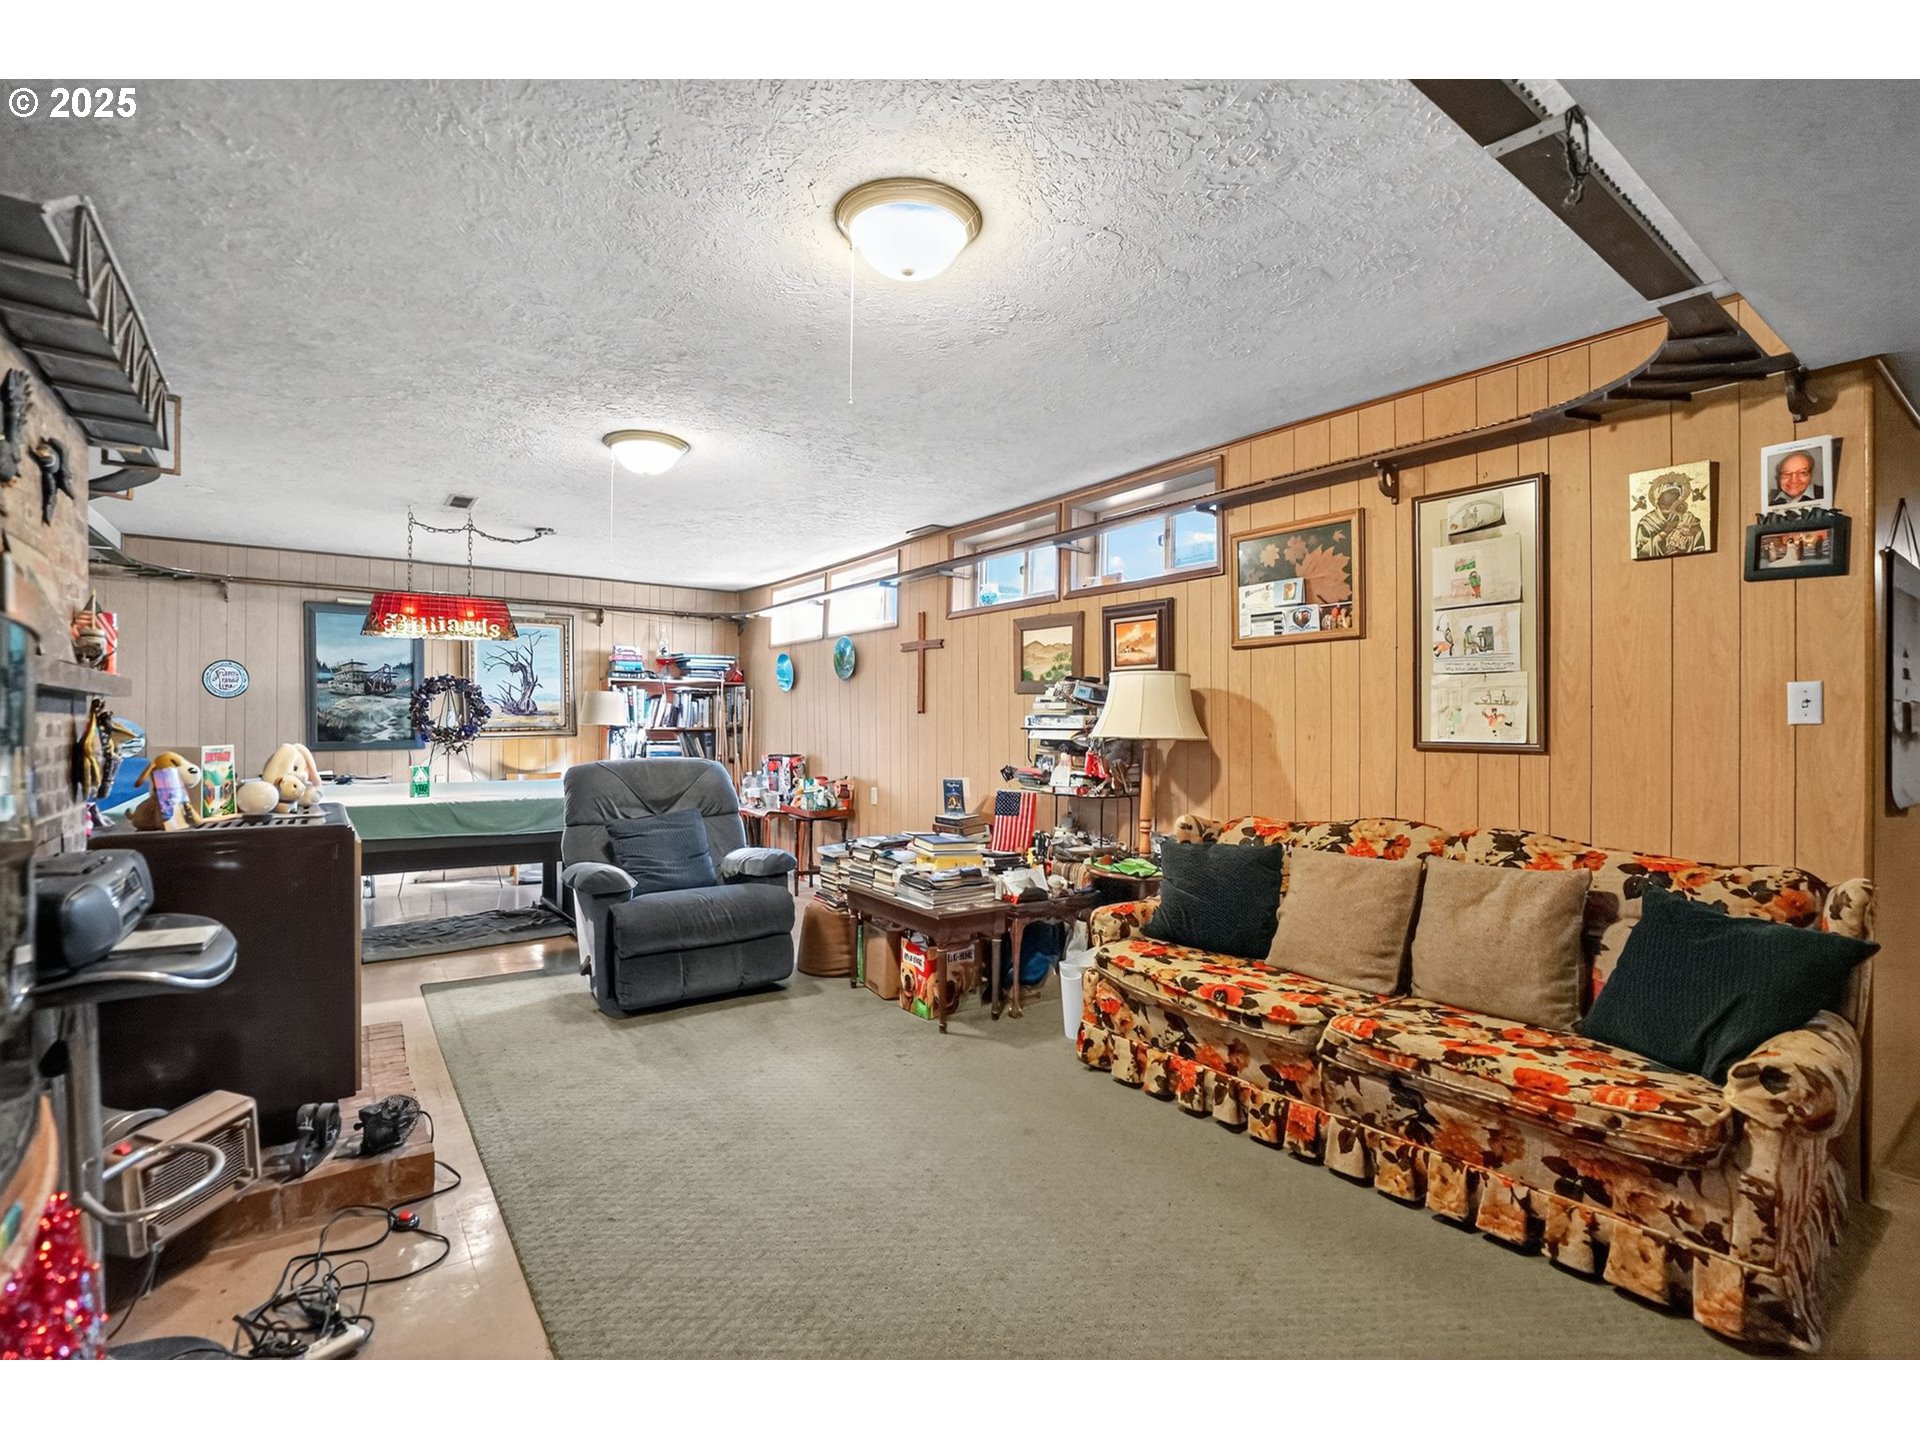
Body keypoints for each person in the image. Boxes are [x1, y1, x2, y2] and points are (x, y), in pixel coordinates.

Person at [1636, 474, 1706, 556]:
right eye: (1664, 502)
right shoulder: (1646, 523)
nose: (1668, 506)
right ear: (1657, 500)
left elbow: (1699, 543)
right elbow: (1642, 552)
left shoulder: (1688, 518)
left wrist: (1690, 533)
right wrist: (1663, 534)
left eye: (1673, 501)